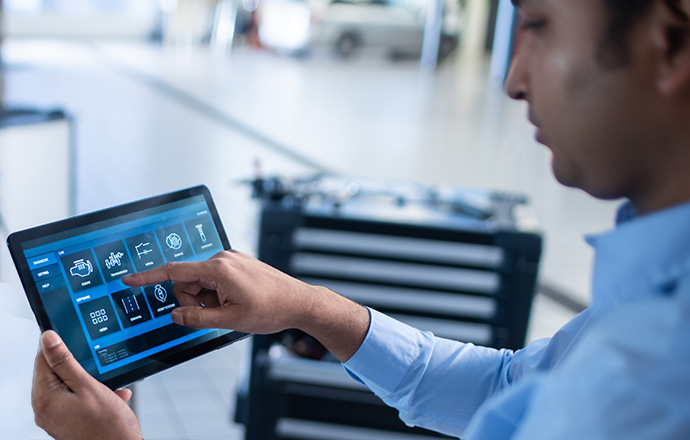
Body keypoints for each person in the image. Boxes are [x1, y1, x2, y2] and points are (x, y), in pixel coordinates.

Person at [32, 0, 690, 438]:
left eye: (541, 25)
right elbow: (505, 383)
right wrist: (308, 307)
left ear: (669, 43)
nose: (514, 79)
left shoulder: (645, 384)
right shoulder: (643, 311)